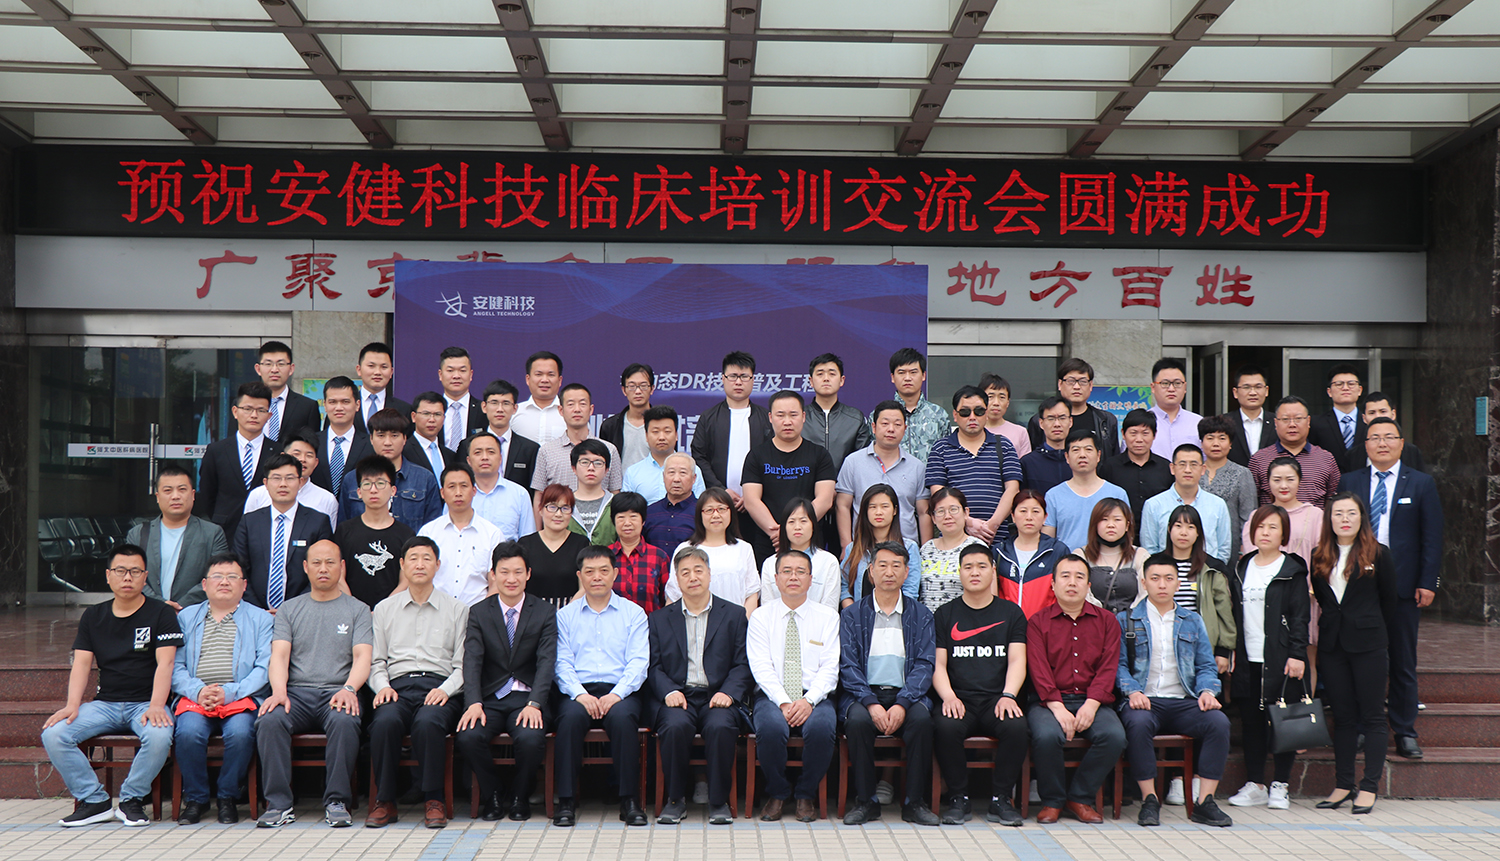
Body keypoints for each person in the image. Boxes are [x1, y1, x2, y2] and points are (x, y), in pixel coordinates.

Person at [41, 544, 182, 828]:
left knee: (159, 736)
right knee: (54, 734)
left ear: (145, 576)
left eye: (135, 571)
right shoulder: (93, 616)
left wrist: (157, 704)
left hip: (146, 704)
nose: (127, 577)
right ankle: (94, 801)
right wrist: (72, 705)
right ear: (108, 576)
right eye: (120, 571)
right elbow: (82, 664)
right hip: (105, 704)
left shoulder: (161, 613)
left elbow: (166, 663)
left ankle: (131, 799)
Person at [1338, 416, 1443, 760]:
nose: (1382, 443)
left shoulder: (1421, 483)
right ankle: (1361, 728)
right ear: (1365, 445)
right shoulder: (1350, 480)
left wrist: (1427, 582)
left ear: (1401, 443)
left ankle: (1405, 731)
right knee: (1359, 660)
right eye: (1374, 438)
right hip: (1357, 584)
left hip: (1403, 585)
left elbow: (1432, 537)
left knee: (1402, 660)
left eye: (1389, 437)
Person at [254, 539, 372, 828]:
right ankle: (279, 804)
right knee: (270, 719)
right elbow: (279, 655)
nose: (323, 569)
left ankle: (337, 801)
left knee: (345, 720)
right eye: (316, 563)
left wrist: (349, 689)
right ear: (305, 567)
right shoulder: (289, 609)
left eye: (330, 562)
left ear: (342, 567)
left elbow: (362, 656)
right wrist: (278, 692)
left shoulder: (358, 609)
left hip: (338, 691)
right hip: (297, 694)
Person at [1117, 556, 1233, 828]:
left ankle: (1205, 802)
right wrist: (1132, 691)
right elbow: (1117, 665)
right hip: (1145, 700)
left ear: (1178, 584)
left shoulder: (1192, 620)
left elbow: (1206, 665)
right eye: (1155, 578)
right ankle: (1149, 800)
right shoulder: (1126, 620)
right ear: (1144, 582)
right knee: (1138, 723)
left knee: (1218, 722)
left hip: (1183, 701)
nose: (1162, 585)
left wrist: (1207, 691)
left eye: (1169, 579)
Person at [366, 536, 467, 829]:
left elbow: (463, 666)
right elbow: (376, 661)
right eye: (413, 558)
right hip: (396, 687)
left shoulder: (457, 609)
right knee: (384, 723)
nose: (419, 564)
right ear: (401, 564)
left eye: (426, 558)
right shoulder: (384, 609)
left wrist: (445, 689)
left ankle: (434, 799)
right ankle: (385, 801)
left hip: (439, 688)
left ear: (438, 565)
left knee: (428, 722)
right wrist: (382, 687)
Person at [838, 542, 940, 826]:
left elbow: (925, 664)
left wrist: (903, 703)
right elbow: (848, 665)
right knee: (857, 722)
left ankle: (914, 803)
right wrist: (870, 703)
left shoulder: (921, 614)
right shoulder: (852, 614)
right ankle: (866, 801)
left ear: (907, 572)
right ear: (870, 571)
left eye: (897, 566)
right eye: (882, 565)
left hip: (907, 694)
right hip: (863, 695)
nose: (889, 572)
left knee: (922, 721)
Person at [648, 547, 752, 826]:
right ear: (676, 580)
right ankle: (675, 800)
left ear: (709, 574)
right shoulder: (659, 618)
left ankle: (718, 801)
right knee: (674, 727)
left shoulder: (734, 615)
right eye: (685, 573)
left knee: (720, 727)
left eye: (698, 570)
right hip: (678, 695)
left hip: (717, 695)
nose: (692, 577)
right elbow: (653, 666)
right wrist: (668, 691)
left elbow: (743, 663)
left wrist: (728, 692)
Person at [454, 541, 555, 822]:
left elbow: (546, 662)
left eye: (518, 572)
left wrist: (535, 703)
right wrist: (473, 702)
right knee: (469, 736)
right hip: (490, 698)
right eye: (504, 572)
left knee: (531, 739)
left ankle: (520, 796)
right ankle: (494, 794)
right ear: (493, 575)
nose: (511, 579)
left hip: (527, 697)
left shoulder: (544, 611)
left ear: (528, 574)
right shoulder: (479, 612)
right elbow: (472, 661)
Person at [170, 554, 273, 825]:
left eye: (232, 577)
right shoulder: (186, 617)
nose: (224, 582)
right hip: (196, 697)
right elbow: (174, 666)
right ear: (204, 584)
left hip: (240, 697)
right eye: (217, 576)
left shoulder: (261, 619)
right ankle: (197, 799)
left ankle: (227, 796)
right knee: (188, 733)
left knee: (240, 733)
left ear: (244, 585)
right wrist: (197, 691)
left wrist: (230, 692)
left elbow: (264, 668)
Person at [1310, 493, 1397, 814]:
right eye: (1338, 513)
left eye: (1351, 513)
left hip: (1369, 645)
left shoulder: (1379, 554)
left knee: (1372, 716)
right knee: (1343, 717)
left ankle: (1369, 786)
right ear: (1329, 519)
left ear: (1361, 517)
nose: (1344, 519)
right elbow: (1323, 600)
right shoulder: (1319, 555)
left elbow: (1389, 601)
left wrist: (1369, 628)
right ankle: (1343, 784)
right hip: (1333, 646)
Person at [552, 546, 651, 826]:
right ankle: (566, 801)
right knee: (569, 720)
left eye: (604, 571)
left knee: (623, 719)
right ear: (579, 576)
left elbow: (639, 661)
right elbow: (561, 663)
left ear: (615, 574)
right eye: (590, 571)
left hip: (620, 691)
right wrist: (580, 694)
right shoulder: (565, 616)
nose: (597, 577)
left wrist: (616, 694)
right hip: (578, 690)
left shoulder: (633, 613)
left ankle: (629, 800)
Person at [931, 544, 1029, 827]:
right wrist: (948, 697)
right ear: (959, 572)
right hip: (959, 698)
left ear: (993, 571)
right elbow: (938, 664)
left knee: (1016, 726)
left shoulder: (1011, 613)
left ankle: (1001, 798)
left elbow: (1017, 660)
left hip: (996, 699)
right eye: (968, 567)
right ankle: (958, 797)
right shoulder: (945, 614)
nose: (975, 572)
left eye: (982, 566)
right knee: (945, 726)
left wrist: (1009, 695)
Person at [1025, 554, 1125, 825]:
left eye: (1079, 577)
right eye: (1065, 576)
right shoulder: (1037, 622)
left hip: (1092, 699)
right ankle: (1052, 801)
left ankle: (1080, 797)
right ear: (1053, 584)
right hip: (1048, 701)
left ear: (1088, 585)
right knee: (1047, 736)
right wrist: (1057, 707)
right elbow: (1038, 669)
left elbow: (1108, 668)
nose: (1072, 582)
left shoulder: (1107, 621)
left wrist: (1091, 705)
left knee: (1114, 736)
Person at [1223, 505, 1309, 812]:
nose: (1265, 532)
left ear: (1283, 533)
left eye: (1273, 527)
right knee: (1252, 723)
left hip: (1282, 657)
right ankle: (1256, 784)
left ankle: (1280, 785)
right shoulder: (1242, 567)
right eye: (1260, 527)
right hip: (1248, 658)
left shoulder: (1292, 569)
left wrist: (1297, 653)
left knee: (1283, 722)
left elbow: (1300, 616)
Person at [747, 550, 841, 822]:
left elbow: (830, 667)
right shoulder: (761, 617)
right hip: (772, 696)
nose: (793, 577)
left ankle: (805, 794)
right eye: (786, 571)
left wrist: (809, 701)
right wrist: (783, 701)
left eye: (801, 572)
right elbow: (760, 667)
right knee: (770, 728)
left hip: (815, 696)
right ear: (776, 579)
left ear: (811, 579)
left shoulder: (827, 617)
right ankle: (777, 792)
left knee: (822, 729)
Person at [741, 390, 838, 565]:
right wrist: (777, 533)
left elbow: (824, 499)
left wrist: (796, 529)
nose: (787, 421)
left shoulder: (820, 455)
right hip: (769, 541)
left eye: (793, 415)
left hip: (809, 541)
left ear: (803, 417)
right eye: (780, 415)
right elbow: (751, 500)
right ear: (770, 417)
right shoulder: (756, 455)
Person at [232, 453, 334, 611]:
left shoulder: (318, 522)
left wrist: (292, 610)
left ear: (300, 482)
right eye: (276, 478)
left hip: (303, 611)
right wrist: (258, 611)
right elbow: (239, 568)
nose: (283, 484)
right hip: (255, 612)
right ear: (266, 483)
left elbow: (323, 570)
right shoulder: (249, 522)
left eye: (290, 478)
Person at [925, 386, 1023, 550]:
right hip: (953, 540)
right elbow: (938, 494)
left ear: (986, 413)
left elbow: (1013, 489)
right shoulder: (940, 449)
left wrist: (991, 526)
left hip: (997, 540)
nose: (972, 417)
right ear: (955, 415)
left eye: (979, 411)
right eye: (965, 412)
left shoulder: (1003, 445)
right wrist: (967, 522)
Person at [128, 465, 228, 610]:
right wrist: (160, 605)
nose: (175, 496)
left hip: (196, 613)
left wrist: (181, 606)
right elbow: (131, 574)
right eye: (168, 491)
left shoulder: (212, 533)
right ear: (157, 497)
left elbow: (218, 575)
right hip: (149, 612)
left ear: (193, 495)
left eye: (182, 489)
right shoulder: (138, 534)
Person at [838, 400, 932, 551]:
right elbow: (843, 506)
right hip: (863, 548)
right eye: (885, 423)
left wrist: (926, 550)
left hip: (905, 549)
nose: (891, 429)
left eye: (897, 424)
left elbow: (923, 512)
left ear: (905, 429)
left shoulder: (917, 467)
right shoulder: (853, 462)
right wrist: (846, 546)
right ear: (874, 427)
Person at [195, 381, 282, 542]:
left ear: (269, 415)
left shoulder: (278, 452)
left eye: (261, 410)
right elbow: (207, 493)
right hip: (224, 531)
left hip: (267, 531)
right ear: (235, 411)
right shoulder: (216, 450)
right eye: (247, 409)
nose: (254, 415)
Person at [339, 408, 443, 529]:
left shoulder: (424, 478)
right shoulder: (352, 479)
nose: (387, 442)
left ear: (404, 439)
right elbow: (344, 527)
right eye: (381, 435)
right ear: (371, 439)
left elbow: (433, 528)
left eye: (394, 435)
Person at [690, 351, 771, 507]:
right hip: (718, 503)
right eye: (733, 376)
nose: (738, 382)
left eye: (744, 376)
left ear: (753, 380)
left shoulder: (766, 419)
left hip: (760, 503)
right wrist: (721, 490)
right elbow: (699, 457)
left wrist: (753, 495)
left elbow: (773, 459)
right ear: (723, 379)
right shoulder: (708, 418)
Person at [334, 456, 415, 609]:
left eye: (380, 483)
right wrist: (357, 610)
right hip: (350, 611)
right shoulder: (344, 531)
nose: (373, 490)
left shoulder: (406, 534)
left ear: (393, 490)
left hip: (392, 613)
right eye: (367, 484)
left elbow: (405, 581)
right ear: (359, 492)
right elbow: (338, 576)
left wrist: (382, 611)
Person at [1161, 506, 1236, 670]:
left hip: (1201, 646)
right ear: (1169, 529)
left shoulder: (1213, 568)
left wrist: (1223, 651)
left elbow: (1224, 611)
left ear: (1198, 533)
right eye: (1178, 526)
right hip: (1162, 645)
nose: (1183, 532)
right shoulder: (1156, 564)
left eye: (1190, 527)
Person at [419, 465, 505, 606]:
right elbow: (419, 578)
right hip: (434, 611)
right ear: (442, 493)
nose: (458, 493)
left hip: (477, 614)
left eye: (464, 486)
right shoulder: (428, 533)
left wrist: (481, 614)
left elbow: (496, 583)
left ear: (474, 491)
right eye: (452, 487)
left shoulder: (492, 534)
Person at [663, 488, 760, 611]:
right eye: (709, 510)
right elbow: (674, 595)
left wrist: (742, 621)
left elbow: (752, 593)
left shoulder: (744, 548)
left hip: (736, 621)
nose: (716, 515)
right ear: (700, 515)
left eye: (721, 509)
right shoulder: (685, 549)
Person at [530, 384, 625, 502]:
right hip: (559, 513)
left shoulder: (610, 450)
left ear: (591, 409)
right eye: (570, 404)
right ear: (561, 410)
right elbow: (539, 496)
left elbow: (615, 493)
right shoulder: (547, 451)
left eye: (582, 404)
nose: (577, 409)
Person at [1140, 444, 1232, 562]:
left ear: (1203, 469)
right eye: (1182, 464)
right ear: (1172, 468)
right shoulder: (1154, 505)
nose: (1188, 470)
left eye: (1194, 465)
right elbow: (1150, 550)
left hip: (1207, 571)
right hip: (1166, 571)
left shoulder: (1218, 505)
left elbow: (1223, 550)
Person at [1248, 396, 1341, 508]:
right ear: (1276, 423)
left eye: (1298, 418)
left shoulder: (1326, 458)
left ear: (1308, 421)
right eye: (1285, 419)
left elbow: (1335, 501)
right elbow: (1250, 502)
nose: (1292, 424)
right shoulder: (1259, 459)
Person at [1043, 430, 1128, 549]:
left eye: (1088, 449)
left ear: (1098, 455)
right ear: (1067, 457)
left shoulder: (1117, 494)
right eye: (1076, 450)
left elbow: (1126, 536)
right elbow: (1048, 540)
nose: (1082, 455)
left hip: (1107, 559)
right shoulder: (1053, 495)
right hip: (1067, 559)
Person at [841, 484, 922, 605]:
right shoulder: (854, 548)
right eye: (872, 507)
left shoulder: (909, 547)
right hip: (859, 614)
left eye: (885, 506)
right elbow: (844, 586)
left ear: (894, 510)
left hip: (897, 614)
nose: (878, 512)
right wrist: (852, 610)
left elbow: (911, 591)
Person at [456, 379, 542, 492]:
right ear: (484, 407)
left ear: (515, 408)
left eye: (506, 403)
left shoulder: (530, 449)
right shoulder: (467, 445)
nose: (500, 409)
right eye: (494, 403)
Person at [1099, 409, 1173, 537]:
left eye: (1145, 433)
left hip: (1158, 535)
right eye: (1133, 433)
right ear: (1123, 434)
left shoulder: (1166, 467)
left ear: (1154, 435)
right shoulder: (1109, 467)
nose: (1139, 439)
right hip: (1120, 536)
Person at [1025, 359, 1118, 459]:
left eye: (1083, 381)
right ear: (1060, 384)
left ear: (1090, 385)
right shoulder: (1039, 421)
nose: (1077, 387)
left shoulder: (1106, 420)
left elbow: (1114, 460)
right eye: (1071, 381)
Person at [517, 484, 592, 609]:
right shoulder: (525, 544)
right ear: (540, 509)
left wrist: (565, 614)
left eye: (565, 508)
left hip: (571, 612)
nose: (558, 514)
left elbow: (584, 587)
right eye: (552, 507)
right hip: (532, 612)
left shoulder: (581, 543)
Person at [997, 490, 1069, 618]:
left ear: (1045, 517)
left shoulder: (1057, 550)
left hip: (1045, 625)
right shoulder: (1000, 551)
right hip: (1007, 625)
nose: (1029, 517)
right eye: (1023, 511)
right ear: (1013, 516)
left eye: (1035, 511)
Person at [760, 498, 842, 609]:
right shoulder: (770, 563)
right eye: (791, 522)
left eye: (803, 521)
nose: (797, 527)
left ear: (813, 526)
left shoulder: (828, 562)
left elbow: (830, 608)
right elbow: (767, 607)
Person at [1198, 416, 1257, 568]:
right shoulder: (1192, 471)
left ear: (1230, 443)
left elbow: (1248, 516)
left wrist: (1245, 548)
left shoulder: (1242, 473)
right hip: (1194, 545)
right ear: (1201, 442)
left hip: (1231, 547)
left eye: (1222, 438)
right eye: (1210, 438)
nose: (1216, 443)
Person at [245, 431, 340, 526]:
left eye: (309, 455)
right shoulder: (258, 495)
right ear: (283, 456)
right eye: (296, 454)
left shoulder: (327, 500)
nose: (302, 459)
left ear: (316, 463)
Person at [917, 487, 988, 613]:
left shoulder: (977, 547)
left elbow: (989, 594)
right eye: (940, 511)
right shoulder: (926, 549)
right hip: (928, 622)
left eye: (953, 509)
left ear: (966, 513)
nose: (947, 516)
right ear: (933, 518)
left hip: (964, 621)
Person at [803, 353, 872, 477]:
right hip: (804, 486)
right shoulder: (799, 417)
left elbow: (862, 461)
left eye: (832, 374)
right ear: (811, 381)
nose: (826, 378)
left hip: (844, 487)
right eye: (820, 374)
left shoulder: (855, 418)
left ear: (841, 380)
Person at [1246, 456, 1324, 565]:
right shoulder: (1258, 515)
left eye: (1290, 479)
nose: (1283, 486)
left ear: (1299, 481)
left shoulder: (1315, 514)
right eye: (1277, 480)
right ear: (1268, 482)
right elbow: (1251, 553)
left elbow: (1322, 553)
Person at [877, 347, 950, 462]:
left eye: (913, 372)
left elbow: (947, 455)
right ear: (892, 377)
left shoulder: (939, 415)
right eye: (901, 373)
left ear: (923, 375)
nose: (907, 378)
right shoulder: (880, 415)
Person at [622, 406, 706, 504]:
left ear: (676, 435)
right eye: (655, 432)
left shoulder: (693, 470)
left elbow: (700, 506)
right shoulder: (633, 473)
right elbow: (627, 508)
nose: (661, 437)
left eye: (667, 431)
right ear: (646, 436)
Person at [463, 431, 535, 542]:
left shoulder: (519, 494)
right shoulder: (459, 495)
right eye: (478, 453)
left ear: (500, 458)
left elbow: (528, 540)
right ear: (469, 461)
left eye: (491, 452)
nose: (485, 457)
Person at [1080, 499, 1148, 613]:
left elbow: (1146, 594)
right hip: (1094, 619)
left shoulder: (1140, 555)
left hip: (1132, 621)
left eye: (1117, 519)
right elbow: (1080, 594)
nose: (1111, 525)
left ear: (1127, 525)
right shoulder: (1081, 555)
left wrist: (1128, 617)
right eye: (1104, 519)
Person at [310, 376, 372, 499]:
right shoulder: (311, 443)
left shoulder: (371, 444)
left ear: (357, 405)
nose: (339, 408)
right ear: (325, 405)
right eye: (332, 402)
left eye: (345, 402)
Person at [608, 491, 670, 614]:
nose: (627, 523)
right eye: (621, 517)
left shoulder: (659, 557)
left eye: (633, 517)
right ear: (613, 521)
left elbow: (667, 600)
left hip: (650, 624)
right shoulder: (605, 556)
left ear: (643, 521)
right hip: (611, 625)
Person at [252, 341, 319, 446]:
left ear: (291, 369)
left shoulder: (307, 407)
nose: (274, 370)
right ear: (258, 369)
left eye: (281, 364)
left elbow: (312, 446)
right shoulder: (244, 405)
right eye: (268, 364)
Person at [1308, 363, 1367, 474]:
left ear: (1360, 390)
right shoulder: (1315, 424)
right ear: (1329, 392)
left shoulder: (1369, 422)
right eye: (1339, 384)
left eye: (1351, 384)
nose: (1345, 388)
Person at [599, 362, 656, 470]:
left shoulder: (662, 424)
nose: (638, 391)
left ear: (652, 389)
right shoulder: (610, 426)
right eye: (632, 386)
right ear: (624, 390)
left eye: (643, 386)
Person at [564, 438, 617, 545]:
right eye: (584, 462)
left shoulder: (615, 503)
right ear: (574, 468)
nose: (591, 468)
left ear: (606, 470)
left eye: (598, 463)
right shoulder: (564, 503)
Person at [644, 452, 699, 551]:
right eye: (671, 472)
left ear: (693, 478)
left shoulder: (702, 512)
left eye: (683, 473)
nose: (676, 479)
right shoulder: (649, 512)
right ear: (664, 477)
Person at [1223, 365, 1276, 467]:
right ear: (1235, 392)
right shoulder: (1224, 422)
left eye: (1258, 387)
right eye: (1246, 387)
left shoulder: (1278, 422)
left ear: (1266, 391)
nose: (1252, 393)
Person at [1148, 358, 1201, 460]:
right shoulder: (1141, 424)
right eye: (1165, 383)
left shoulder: (1197, 422)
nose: (1171, 389)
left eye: (1177, 383)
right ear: (1153, 387)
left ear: (1185, 387)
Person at [354, 341, 411, 435]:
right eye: (371, 366)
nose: (377, 372)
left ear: (391, 372)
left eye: (384, 367)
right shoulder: (346, 405)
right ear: (359, 370)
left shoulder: (404, 410)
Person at [1358, 392, 1426, 471]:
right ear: (1364, 418)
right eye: (1372, 413)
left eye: (1383, 411)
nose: (1377, 416)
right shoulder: (1354, 455)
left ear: (1393, 414)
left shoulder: (1412, 452)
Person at [512, 350, 566, 446]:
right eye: (538, 374)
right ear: (528, 379)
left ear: (559, 380)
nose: (544, 380)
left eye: (551, 375)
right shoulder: (514, 413)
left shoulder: (570, 414)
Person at [437, 347, 487, 451]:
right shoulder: (431, 411)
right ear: (440, 375)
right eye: (450, 370)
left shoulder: (484, 411)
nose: (456, 376)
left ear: (471, 375)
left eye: (462, 370)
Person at [1020, 396, 1072, 495]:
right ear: (1041, 423)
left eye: (1062, 418)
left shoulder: (1079, 460)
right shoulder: (1028, 463)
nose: (1057, 424)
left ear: (1070, 421)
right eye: (1051, 418)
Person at [404, 391, 459, 479]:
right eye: (426, 414)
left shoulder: (449, 455)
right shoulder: (403, 451)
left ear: (444, 418)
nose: (432, 420)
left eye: (437, 414)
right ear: (413, 417)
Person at [979, 372, 1031, 458]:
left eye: (1002, 397)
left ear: (1008, 402)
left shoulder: (1020, 432)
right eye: (990, 396)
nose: (996, 403)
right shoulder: (972, 431)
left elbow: (1025, 464)